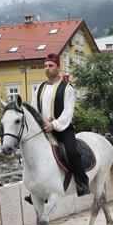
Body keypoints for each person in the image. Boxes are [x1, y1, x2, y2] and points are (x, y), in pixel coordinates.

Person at [32, 53, 89, 196]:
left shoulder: (67, 88)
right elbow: (34, 109)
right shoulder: (39, 88)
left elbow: (67, 113)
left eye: (50, 66)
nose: (47, 69)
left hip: (62, 129)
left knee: (72, 152)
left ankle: (82, 182)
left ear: (58, 68)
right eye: (45, 66)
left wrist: (53, 125)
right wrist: (40, 124)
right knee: (32, 153)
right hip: (43, 130)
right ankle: (35, 189)